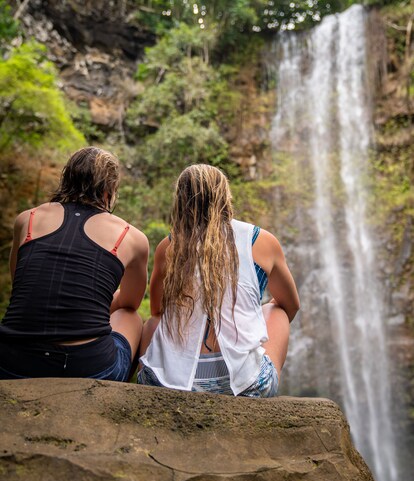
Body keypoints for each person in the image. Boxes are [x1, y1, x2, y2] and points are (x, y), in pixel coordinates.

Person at [138, 164, 299, 397]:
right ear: (225, 196)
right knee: (278, 311)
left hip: (170, 384)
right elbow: (291, 304)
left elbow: (157, 310)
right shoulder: (261, 240)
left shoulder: (170, 245)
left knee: (153, 322)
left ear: (181, 200)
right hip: (245, 387)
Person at [0, 146, 149, 380]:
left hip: (10, 361)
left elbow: (23, 287)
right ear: (110, 188)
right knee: (131, 317)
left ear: (66, 177)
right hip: (87, 368)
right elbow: (130, 302)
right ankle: (117, 396)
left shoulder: (27, 220)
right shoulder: (131, 237)